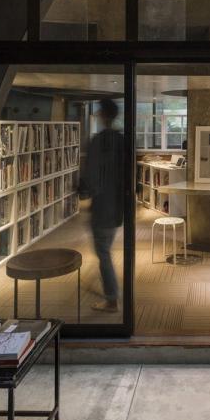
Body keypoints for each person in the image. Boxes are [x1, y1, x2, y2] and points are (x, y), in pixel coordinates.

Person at [86, 99, 124, 313]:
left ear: (103, 115)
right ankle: (111, 294)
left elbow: (90, 176)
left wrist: (84, 191)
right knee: (104, 250)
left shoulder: (98, 141)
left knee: (103, 252)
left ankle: (111, 299)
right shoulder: (121, 140)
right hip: (117, 206)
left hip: (102, 206)